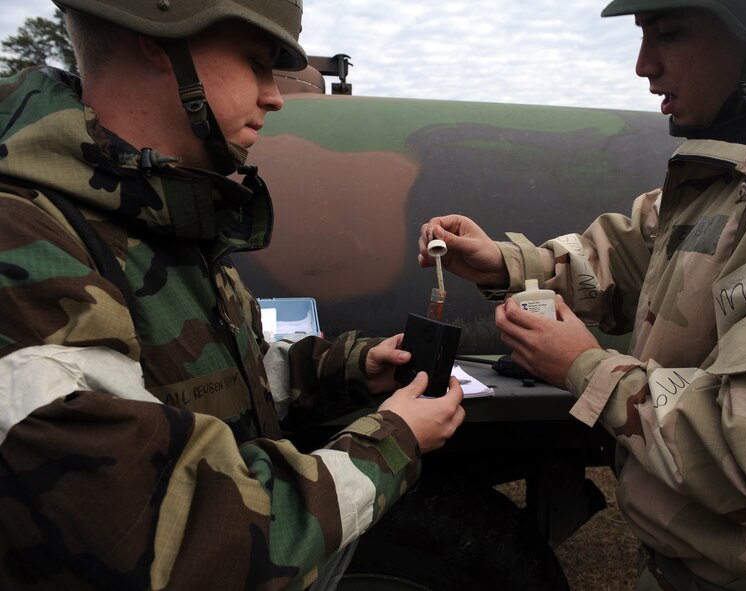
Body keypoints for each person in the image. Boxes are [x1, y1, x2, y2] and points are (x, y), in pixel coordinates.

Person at [419, 0, 746, 589]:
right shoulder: (743, 157)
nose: (644, 66)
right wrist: (505, 262)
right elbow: (637, 253)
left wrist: (587, 369)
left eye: (667, 34)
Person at [0, 1, 465, 590]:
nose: (275, 96)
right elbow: (170, 540)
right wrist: (393, 442)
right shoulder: (26, 244)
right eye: (255, 63)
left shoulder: (159, 217)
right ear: (157, 37)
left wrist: (352, 368)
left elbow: (226, 370)